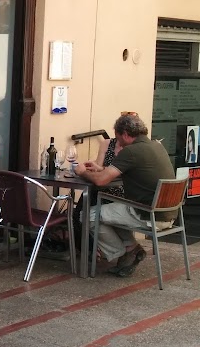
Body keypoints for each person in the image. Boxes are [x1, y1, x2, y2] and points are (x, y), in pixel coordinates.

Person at [74, 113, 177, 277]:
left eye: (118, 138)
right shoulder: (156, 146)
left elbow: (100, 181)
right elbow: (128, 171)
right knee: (110, 211)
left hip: (147, 213)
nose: (118, 142)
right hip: (167, 213)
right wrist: (103, 169)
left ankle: (122, 252)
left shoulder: (131, 151)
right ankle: (131, 248)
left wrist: (82, 172)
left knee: (87, 215)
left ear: (126, 134)